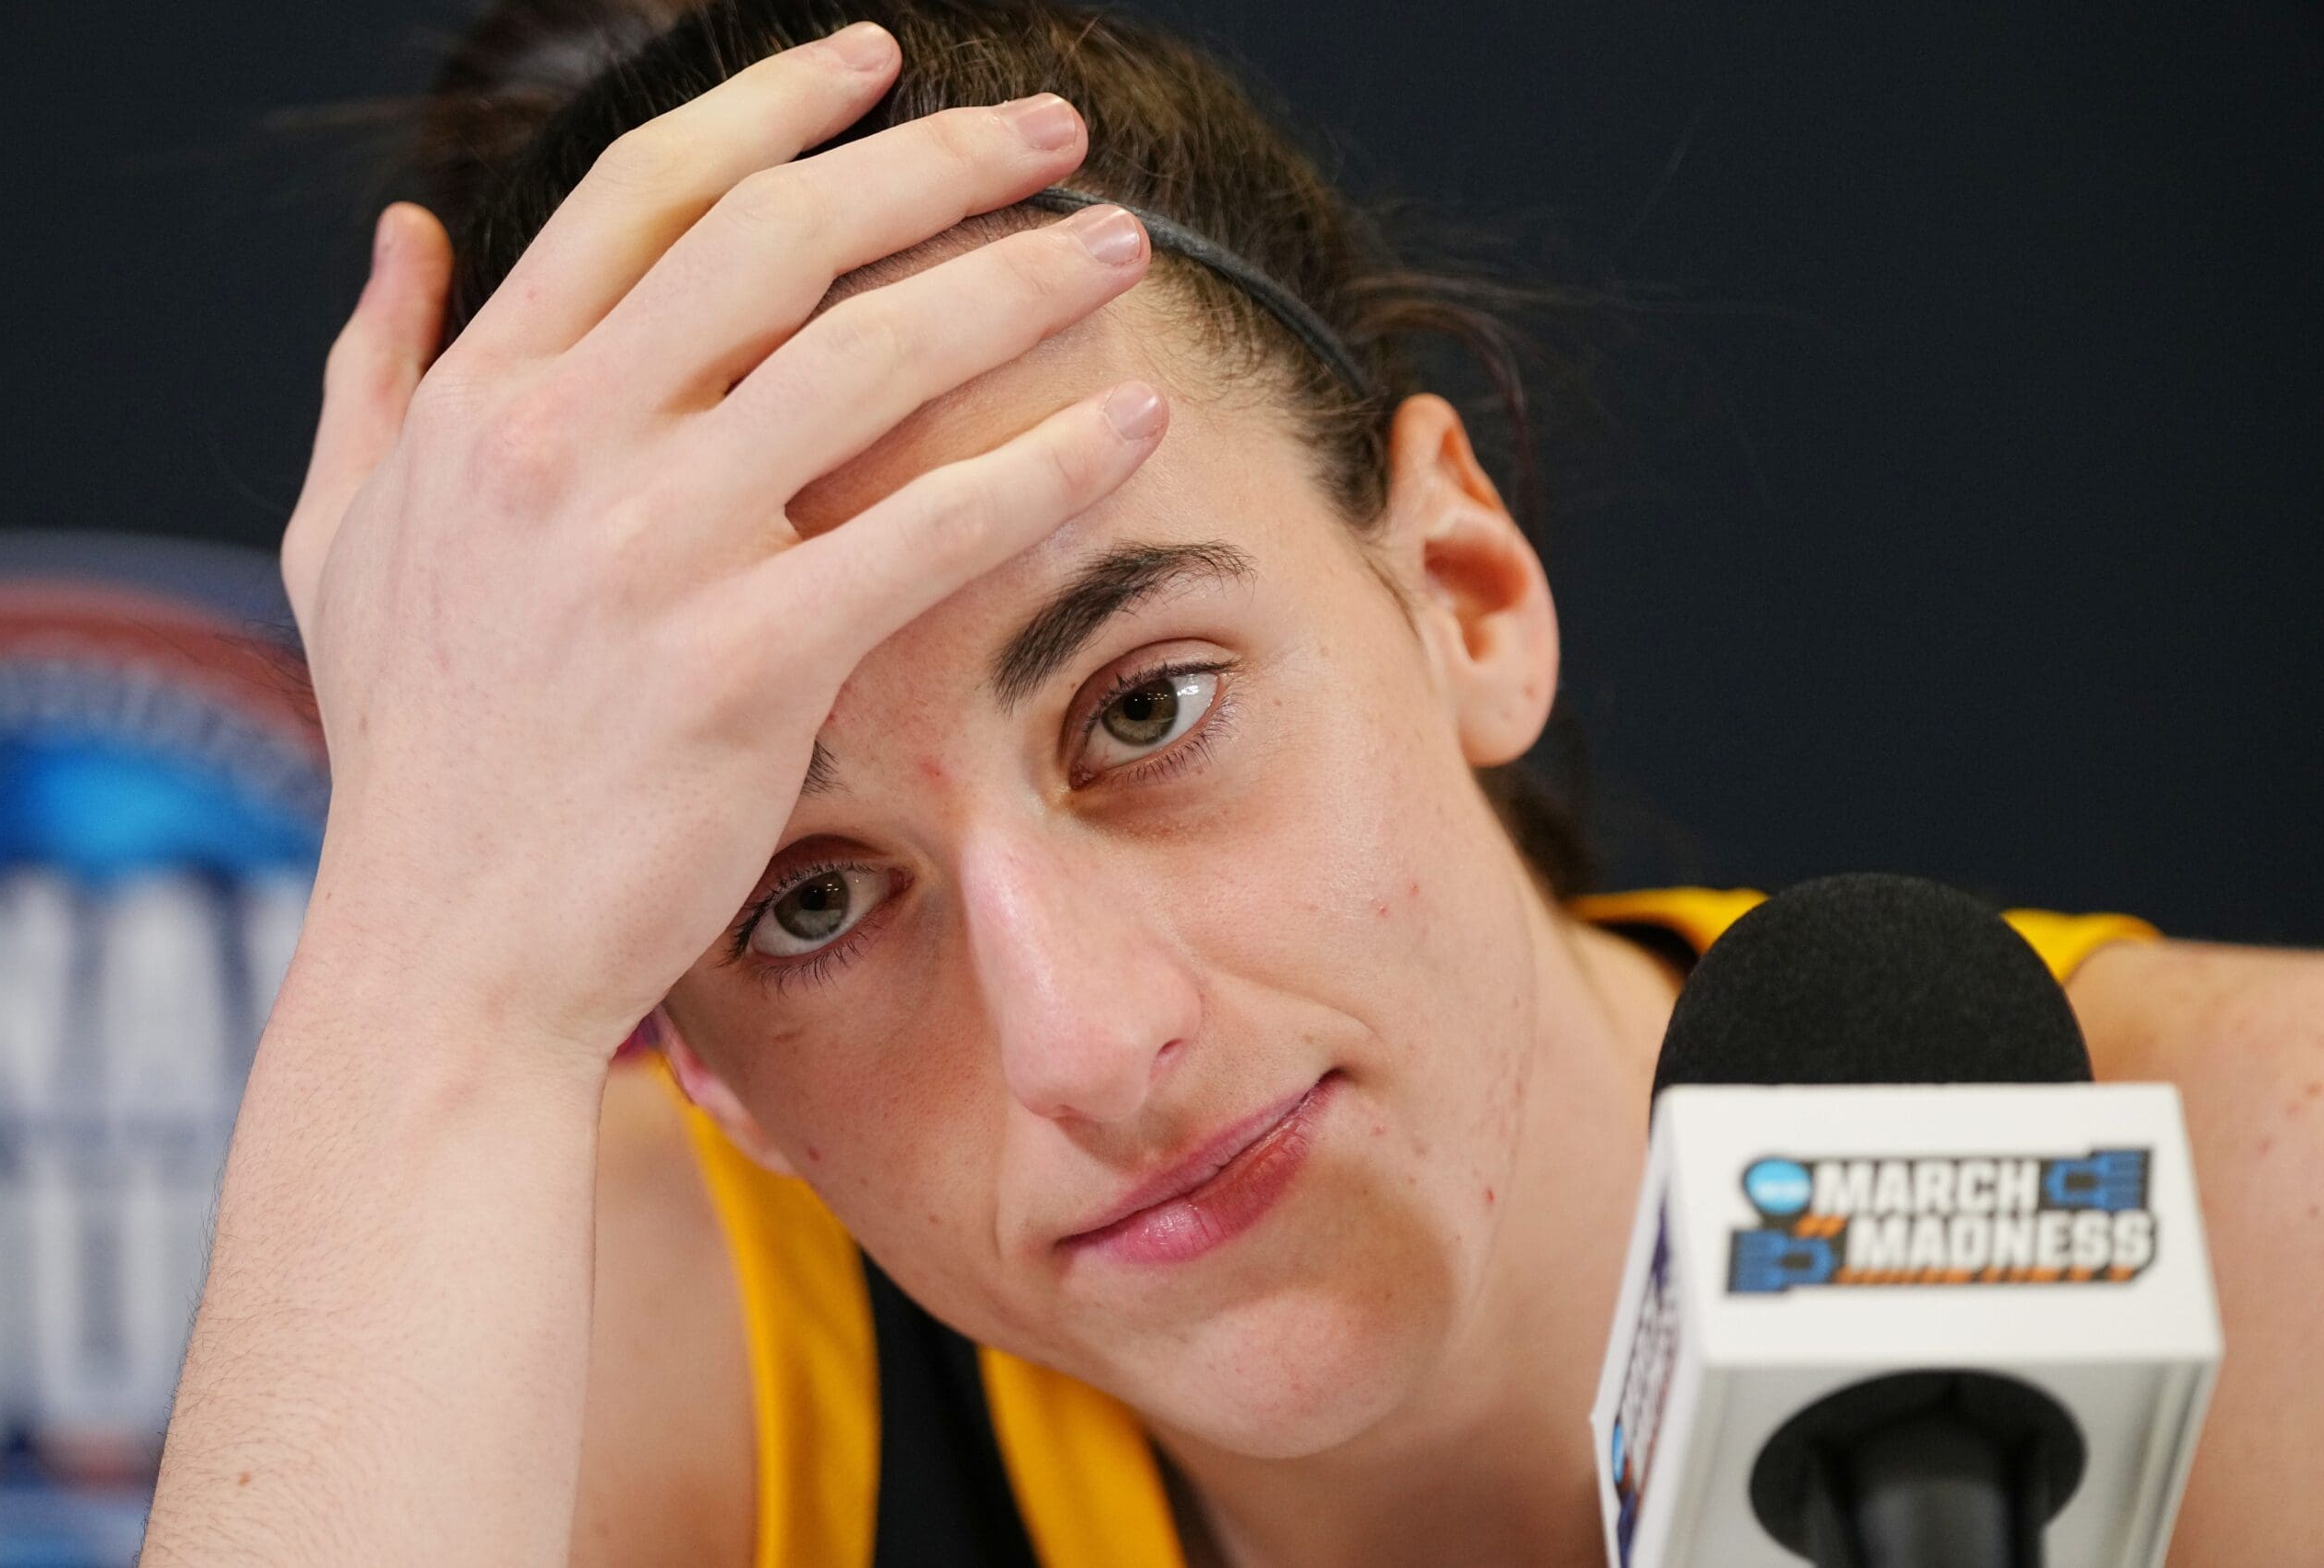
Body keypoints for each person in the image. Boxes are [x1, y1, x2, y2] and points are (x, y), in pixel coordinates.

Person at [138, 3, 2324, 1565]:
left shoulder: (2260, 1205)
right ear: (700, 1070)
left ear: (1460, 588)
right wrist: (432, 961)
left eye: (1145, 706)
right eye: (806, 899)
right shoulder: (663, 1366)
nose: (1096, 1041)